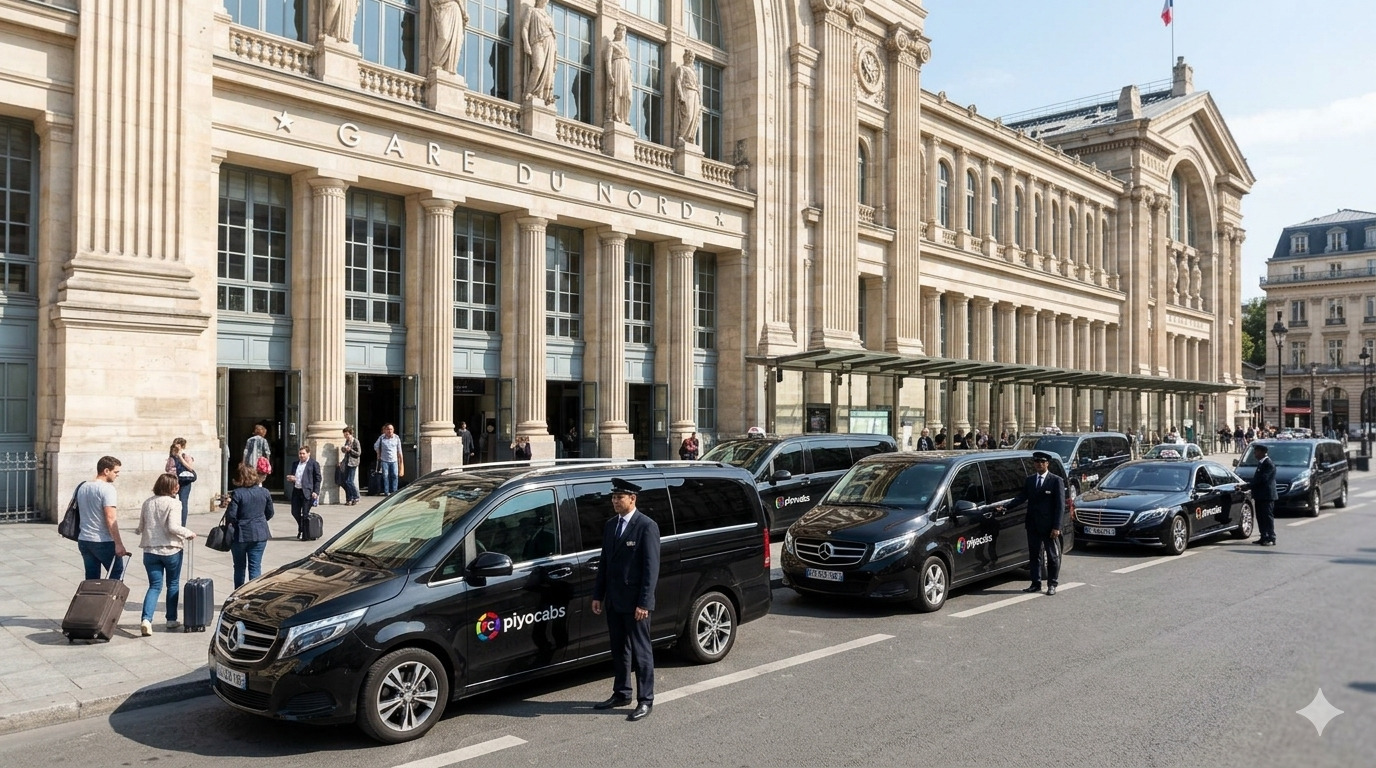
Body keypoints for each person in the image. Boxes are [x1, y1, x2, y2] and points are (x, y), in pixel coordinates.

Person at [591, 478, 661, 722]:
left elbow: (651, 570)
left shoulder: (646, 526)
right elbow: (605, 563)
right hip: (614, 600)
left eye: (619, 497)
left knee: (641, 651)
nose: (615, 501)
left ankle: (646, 700)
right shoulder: (612, 525)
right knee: (619, 649)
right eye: (613, 497)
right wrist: (598, 595)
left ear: (633, 499)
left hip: (635, 604)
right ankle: (622, 693)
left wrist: (644, 603)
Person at [134, 473, 195, 636]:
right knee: (173, 584)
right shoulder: (174, 503)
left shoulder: (148, 502)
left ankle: (146, 619)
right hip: (171, 549)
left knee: (154, 586)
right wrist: (188, 533)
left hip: (150, 550)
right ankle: (171, 619)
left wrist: (140, 531)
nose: (178, 487)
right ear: (171, 487)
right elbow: (173, 527)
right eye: (176, 485)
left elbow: (140, 526)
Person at [997, 451, 1066, 595]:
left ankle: (1052, 584)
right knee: (1034, 556)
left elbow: (1060, 506)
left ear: (1047, 464)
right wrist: (1005, 507)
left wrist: (1057, 526)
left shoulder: (1055, 481)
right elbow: (1021, 498)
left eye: (1042, 462)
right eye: (1037, 462)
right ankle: (1035, 583)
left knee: (1052, 557)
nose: (1039, 464)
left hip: (1049, 526)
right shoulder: (1030, 480)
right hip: (1033, 524)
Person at [76, 456, 128, 581]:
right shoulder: (107, 489)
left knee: (91, 578)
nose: (117, 475)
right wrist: (118, 544)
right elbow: (110, 517)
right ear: (106, 471)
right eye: (115, 472)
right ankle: (109, 595)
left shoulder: (82, 487)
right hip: (103, 540)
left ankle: (92, 595)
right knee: (116, 572)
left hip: (84, 539)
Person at [225, 463, 275, 588]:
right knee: (255, 567)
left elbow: (232, 516)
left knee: (239, 567)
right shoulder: (264, 492)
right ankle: (253, 594)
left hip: (240, 534)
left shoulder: (237, 493)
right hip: (259, 533)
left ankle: (238, 593)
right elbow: (270, 513)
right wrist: (259, 521)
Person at [522, 0, 556, 103]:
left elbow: (553, 34)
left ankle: (543, 96)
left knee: (548, 72)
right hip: (537, 41)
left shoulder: (548, 16)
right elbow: (525, 28)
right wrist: (526, 43)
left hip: (549, 42)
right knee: (538, 66)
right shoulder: (531, 11)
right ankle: (529, 92)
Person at [286, 446, 322, 541]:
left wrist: (316, 491)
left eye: (303, 453)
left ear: (308, 453)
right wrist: (292, 478)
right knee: (295, 512)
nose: (301, 455)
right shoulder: (295, 464)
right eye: (300, 454)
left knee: (305, 514)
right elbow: (294, 475)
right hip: (297, 490)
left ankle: (305, 535)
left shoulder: (313, 464)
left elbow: (318, 479)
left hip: (307, 491)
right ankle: (301, 527)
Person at [165, 437, 197, 526]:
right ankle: (171, 523)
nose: (176, 448)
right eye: (175, 446)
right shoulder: (172, 456)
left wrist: (180, 457)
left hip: (185, 481)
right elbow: (167, 468)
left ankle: (182, 525)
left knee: (183, 502)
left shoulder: (186, 455)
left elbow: (190, 468)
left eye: (178, 446)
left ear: (182, 446)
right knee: (170, 502)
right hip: (173, 481)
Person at [1251, 443, 1277, 547]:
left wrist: (1247, 486)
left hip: (1267, 496)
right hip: (1260, 495)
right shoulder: (1261, 463)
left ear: (1263, 452)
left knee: (1267, 517)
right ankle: (1263, 536)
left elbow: (1263, 479)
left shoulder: (1268, 464)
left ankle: (1271, 537)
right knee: (1260, 517)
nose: (1255, 454)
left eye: (1257, 452)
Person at [606, 23, 631, 124]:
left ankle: (625, 116)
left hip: (626, 69)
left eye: (624, 31)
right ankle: (615, 114)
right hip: (617, 66)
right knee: (618, 91)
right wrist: (609, 74)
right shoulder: (612, 44)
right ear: (616, 32)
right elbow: (608, 60)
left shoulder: (626, 47)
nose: (622, 33)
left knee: (628, 95)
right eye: (620, 31)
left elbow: (628, 62)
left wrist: (630, 73)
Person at [374, 423, 404, 495]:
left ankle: (394, 491)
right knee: (385, 476)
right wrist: (378, 453)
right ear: (385, 430)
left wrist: (401, 458)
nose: (389, 431)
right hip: (384, 460)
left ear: (393, 430)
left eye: (391, 429)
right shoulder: (382, 438)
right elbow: (375, 446)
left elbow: (399, 449)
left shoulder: (396, 438)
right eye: (388, 429)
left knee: (395, 475)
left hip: (394, 460)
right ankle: (386, 491)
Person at [339, 426, 362, 505]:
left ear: (351, 434)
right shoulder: (347, 441)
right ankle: (349, 498)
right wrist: (344, 449)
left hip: (353, 463)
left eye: (347, 434)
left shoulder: (355, 441)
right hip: (347, 462)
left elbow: (358, 453)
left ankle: (356, 496)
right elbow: (345, 453)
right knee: (345, 481)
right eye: (345, 435)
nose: (346, 436)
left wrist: (350, 450)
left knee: (349, 481)